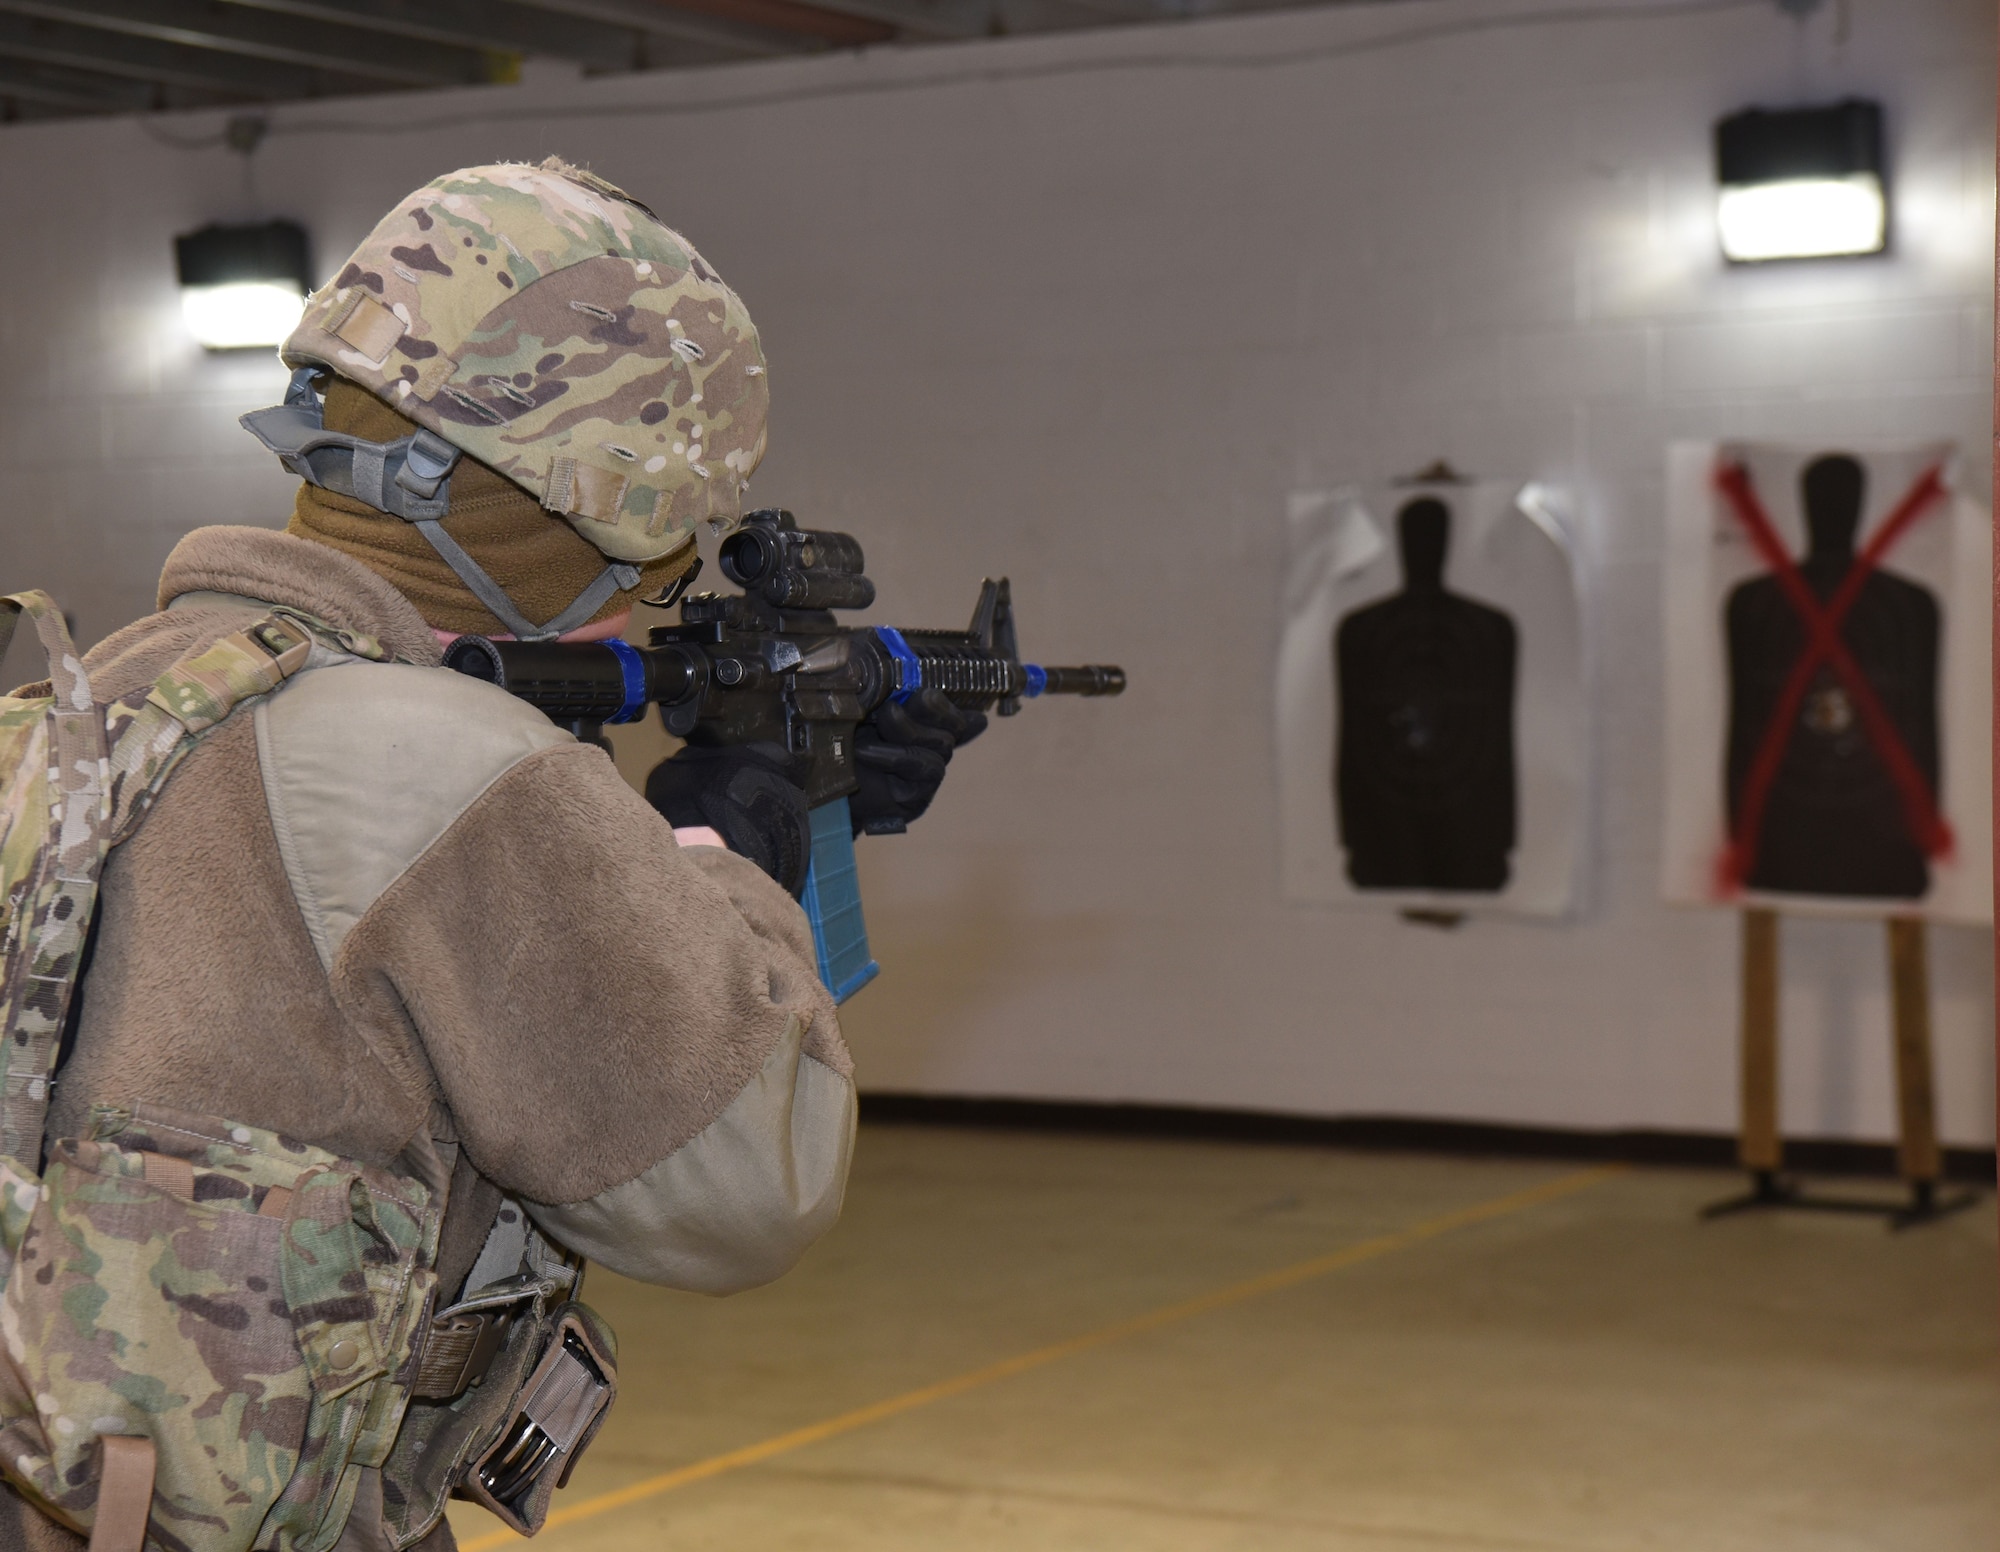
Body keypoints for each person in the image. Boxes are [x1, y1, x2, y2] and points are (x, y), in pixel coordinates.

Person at [0, 160, 978, 1552]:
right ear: (624, 503)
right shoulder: (464, 770)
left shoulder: (91, 704)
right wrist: (727, 837)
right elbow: (752, 1184)